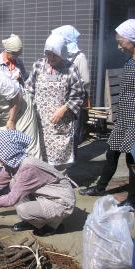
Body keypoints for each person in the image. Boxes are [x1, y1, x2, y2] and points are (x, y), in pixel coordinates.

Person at [0, 130, 75, 236]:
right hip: (46, 196)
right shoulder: (13, 164)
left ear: (8, 152)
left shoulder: (28, 168)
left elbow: (12, 199)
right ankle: (35, 220)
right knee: (13, 184)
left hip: (61, 202)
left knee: (23, 210)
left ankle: (52, 226)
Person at [79, 19, 135, 208]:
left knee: (131, 160)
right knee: (112, 154)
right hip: (124, 119)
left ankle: (132, 200)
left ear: (132, 39)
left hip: (134, 121)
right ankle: (101, 187)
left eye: (121, 42)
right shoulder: (130, 61)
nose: (119, 47)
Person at [25, 34, 85, 171]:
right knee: (38, 156)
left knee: (59, 158)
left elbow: (78, 95)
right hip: (39, 120)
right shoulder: (38, 65)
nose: (51, 58)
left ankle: (59, 184)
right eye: (48, 54)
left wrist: (64, 109)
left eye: (55, 55)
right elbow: (29, 90)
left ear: (62, 53)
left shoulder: (71, 68)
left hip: (60, 121)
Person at [0, 34, 42, 163]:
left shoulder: (18, 62)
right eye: (15, 53)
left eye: (18, 53)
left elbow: (24, 84)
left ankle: (28, 170)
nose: (17, 56)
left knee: (24, 141)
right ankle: (0, 170)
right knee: (1, 142)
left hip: (19, 104)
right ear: (7, 51)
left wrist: (20, 79)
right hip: (2, 107)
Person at [52, 25, 91, 159]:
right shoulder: (59, 56)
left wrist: (71, 85)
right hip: (59, 99)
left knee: (72, 130)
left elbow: (85, 80)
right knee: (61, 128)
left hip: (73, 100)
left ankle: (71, 158)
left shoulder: (79, 57)